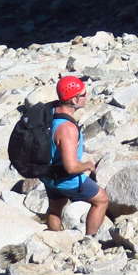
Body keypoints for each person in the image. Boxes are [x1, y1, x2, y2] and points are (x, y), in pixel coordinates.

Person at [43, 75, 110, 237]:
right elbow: (71, 167)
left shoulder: (50, 112)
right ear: (74, 100)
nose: (87, 97)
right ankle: (89, 240)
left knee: (55, 208)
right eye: (83, 94)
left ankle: (55, 240)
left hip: (47, 173)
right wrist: (88, 165)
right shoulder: (66, 128)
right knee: (101, 200)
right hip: (66, 179)